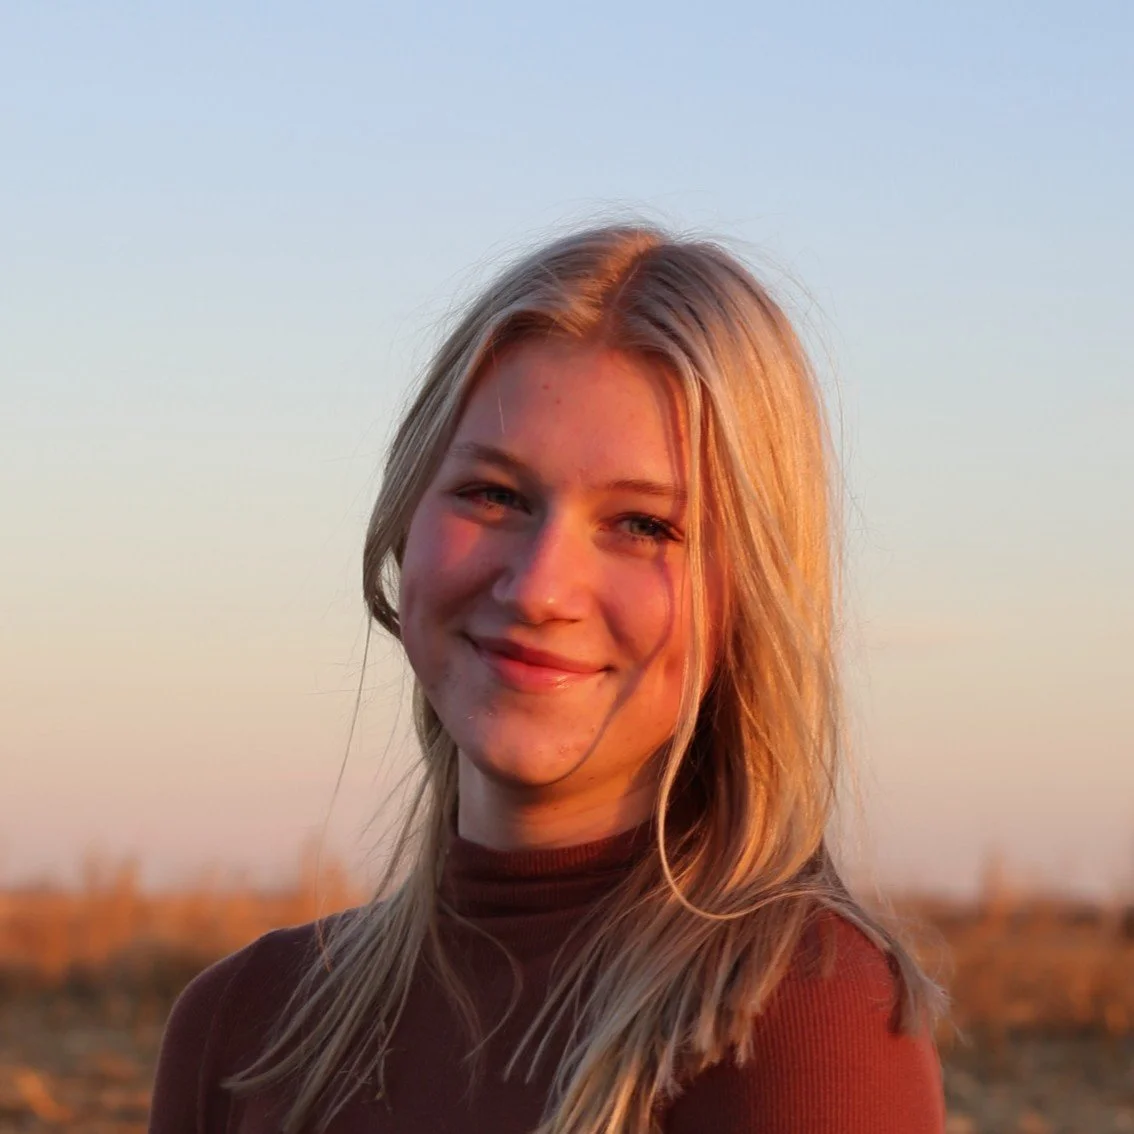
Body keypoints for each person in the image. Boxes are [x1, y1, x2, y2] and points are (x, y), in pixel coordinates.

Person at [148, 223, 946, 1133]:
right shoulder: (240, 1027)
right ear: (407, 517)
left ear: (750, 595)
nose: (538, 589)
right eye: (494, 494)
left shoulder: (800, 1023)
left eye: (645, 525)